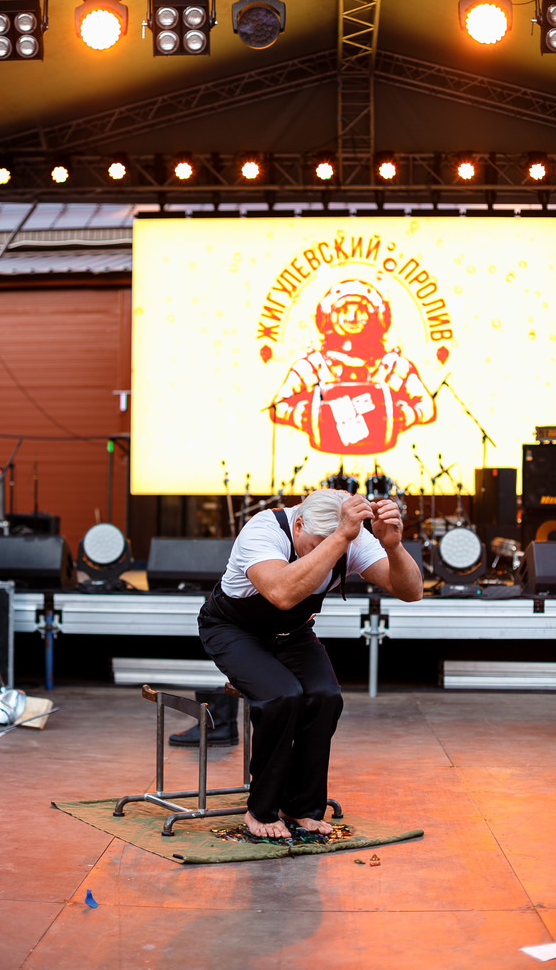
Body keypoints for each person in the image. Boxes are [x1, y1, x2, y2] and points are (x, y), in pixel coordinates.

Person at [197, 487, 422, 840]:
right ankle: (261, 810)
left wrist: (393, 547)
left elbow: (411, 591)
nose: (328, 556)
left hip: (292, 632)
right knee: (281, 695)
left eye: (336, 548)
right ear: (299, 525)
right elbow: (282, 594)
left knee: (325, 695)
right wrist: (340, 538)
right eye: (318, 546)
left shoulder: (351, 538)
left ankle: (301, 805)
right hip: (233, 629)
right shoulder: (264, 530)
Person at [270, 279, 436, 454]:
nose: (352, 317)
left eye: (361, 310)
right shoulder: (311, 368)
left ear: (378, 317)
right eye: (343, 310)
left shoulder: (394, 368)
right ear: (327, 316)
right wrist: (300, 415)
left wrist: (405, 415)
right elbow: (277, 407)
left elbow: (427, 407)